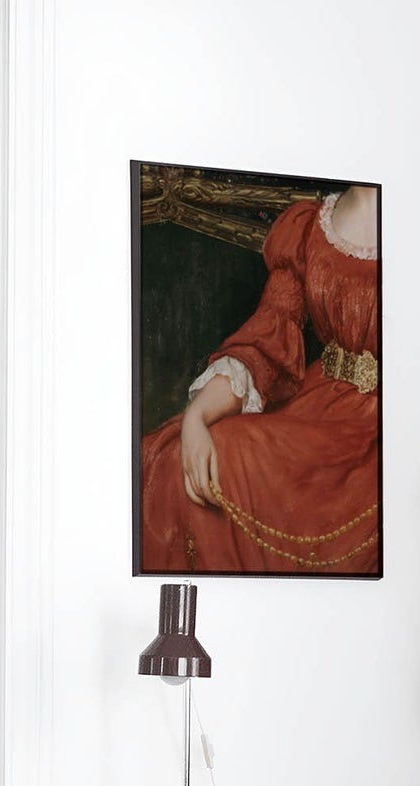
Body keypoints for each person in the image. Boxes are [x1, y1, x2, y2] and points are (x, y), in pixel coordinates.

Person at [140, 186, 380, 574]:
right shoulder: (309, 228)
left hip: (384, 430)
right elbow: (268, 337)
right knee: (182, 456)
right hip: (319, 408)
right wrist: (196, 416)